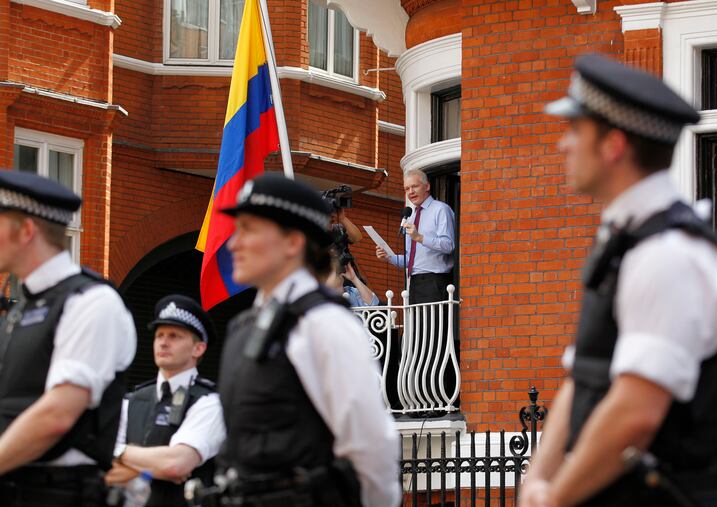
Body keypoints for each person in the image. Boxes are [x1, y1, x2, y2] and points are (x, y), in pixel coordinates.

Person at [520, 54, 717, 507]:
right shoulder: (627, 243)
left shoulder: (669, 256)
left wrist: (556, 497)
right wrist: (535, 480)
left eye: (574, 130)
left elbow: (635, 415)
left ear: (614, 145)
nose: (563, 145)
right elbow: (583, 377)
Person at [212, 173, 400, 507]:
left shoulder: (325, 324)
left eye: (250, 229)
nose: (233, 243)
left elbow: (371, 448)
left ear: (293, 242)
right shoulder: (243, 327)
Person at [0, 171, 136, 506]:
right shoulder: (23, 309)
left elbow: (57, 415)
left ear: (27, 230)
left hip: (57, 493)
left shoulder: (90, 302)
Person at [106, 294, 226, 506]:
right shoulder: (132, 400)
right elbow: (105, 470)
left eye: (174, 336)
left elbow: (176, 464)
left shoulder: (209, 402)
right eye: (159, 335)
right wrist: (154, 469)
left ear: (198, 348)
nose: (163, 342)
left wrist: (120, 454)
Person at [375, 168, 455, 304]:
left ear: (427, 186)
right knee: (416, 325)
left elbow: (449, 245)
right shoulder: (410, 217)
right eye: (407, 189)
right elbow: (410, 259)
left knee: (433, 325)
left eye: (414, 186)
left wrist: (420, 238)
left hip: (435, 281)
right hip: (414, 282)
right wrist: (389, 257)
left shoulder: (440, 209)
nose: (410, 192)